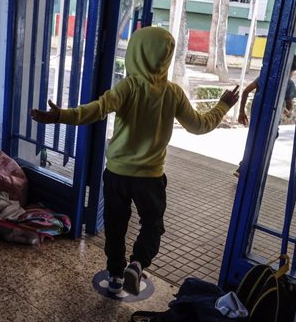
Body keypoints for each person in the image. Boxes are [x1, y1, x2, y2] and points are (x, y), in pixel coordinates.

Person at [30, 26, 239, 295]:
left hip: (117, 173)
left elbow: (98, 109)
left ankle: (116, 274)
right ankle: (137, 264)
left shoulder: (128, 86)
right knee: (152, 225)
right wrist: (223, 105)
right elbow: (199, 126)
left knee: (116, 225)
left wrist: (62, 116)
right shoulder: (173, 93)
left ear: (136, 53)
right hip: (150, 179)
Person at [233, 54, 296, 176]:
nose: (292, 74)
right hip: (272, 122)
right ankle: (247, 168)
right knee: (265, 144)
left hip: (257, 117)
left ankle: (244, 167)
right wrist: (288, 112)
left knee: (253, 141)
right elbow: (290, 106)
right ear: (290, 70)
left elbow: (245, 91)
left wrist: (242, 112)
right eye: (293, 71)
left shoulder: (266, 77)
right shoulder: (289, 84)